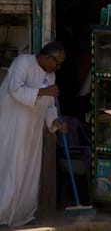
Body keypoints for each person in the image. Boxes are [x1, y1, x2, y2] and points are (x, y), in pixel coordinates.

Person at [0, 41, 68, 228]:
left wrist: (55, 123)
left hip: (32, 131)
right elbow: (16, 91)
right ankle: (3, 215)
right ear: (48, 57)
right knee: (10, 169)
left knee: (29, 171)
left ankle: (22, 215)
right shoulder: (23, 63)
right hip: (12, 127)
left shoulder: (51, 76)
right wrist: (44, 91)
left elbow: (49, 106)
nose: (58, 67)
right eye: (58, 62)